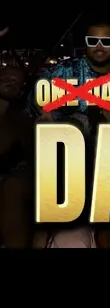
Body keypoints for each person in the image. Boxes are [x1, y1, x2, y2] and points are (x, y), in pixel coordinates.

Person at [0, 65, 34, 248]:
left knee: (13, 188)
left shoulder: (22, 120)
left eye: (16, 82)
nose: (11, 84)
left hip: (14, 180)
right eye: (6, 79)